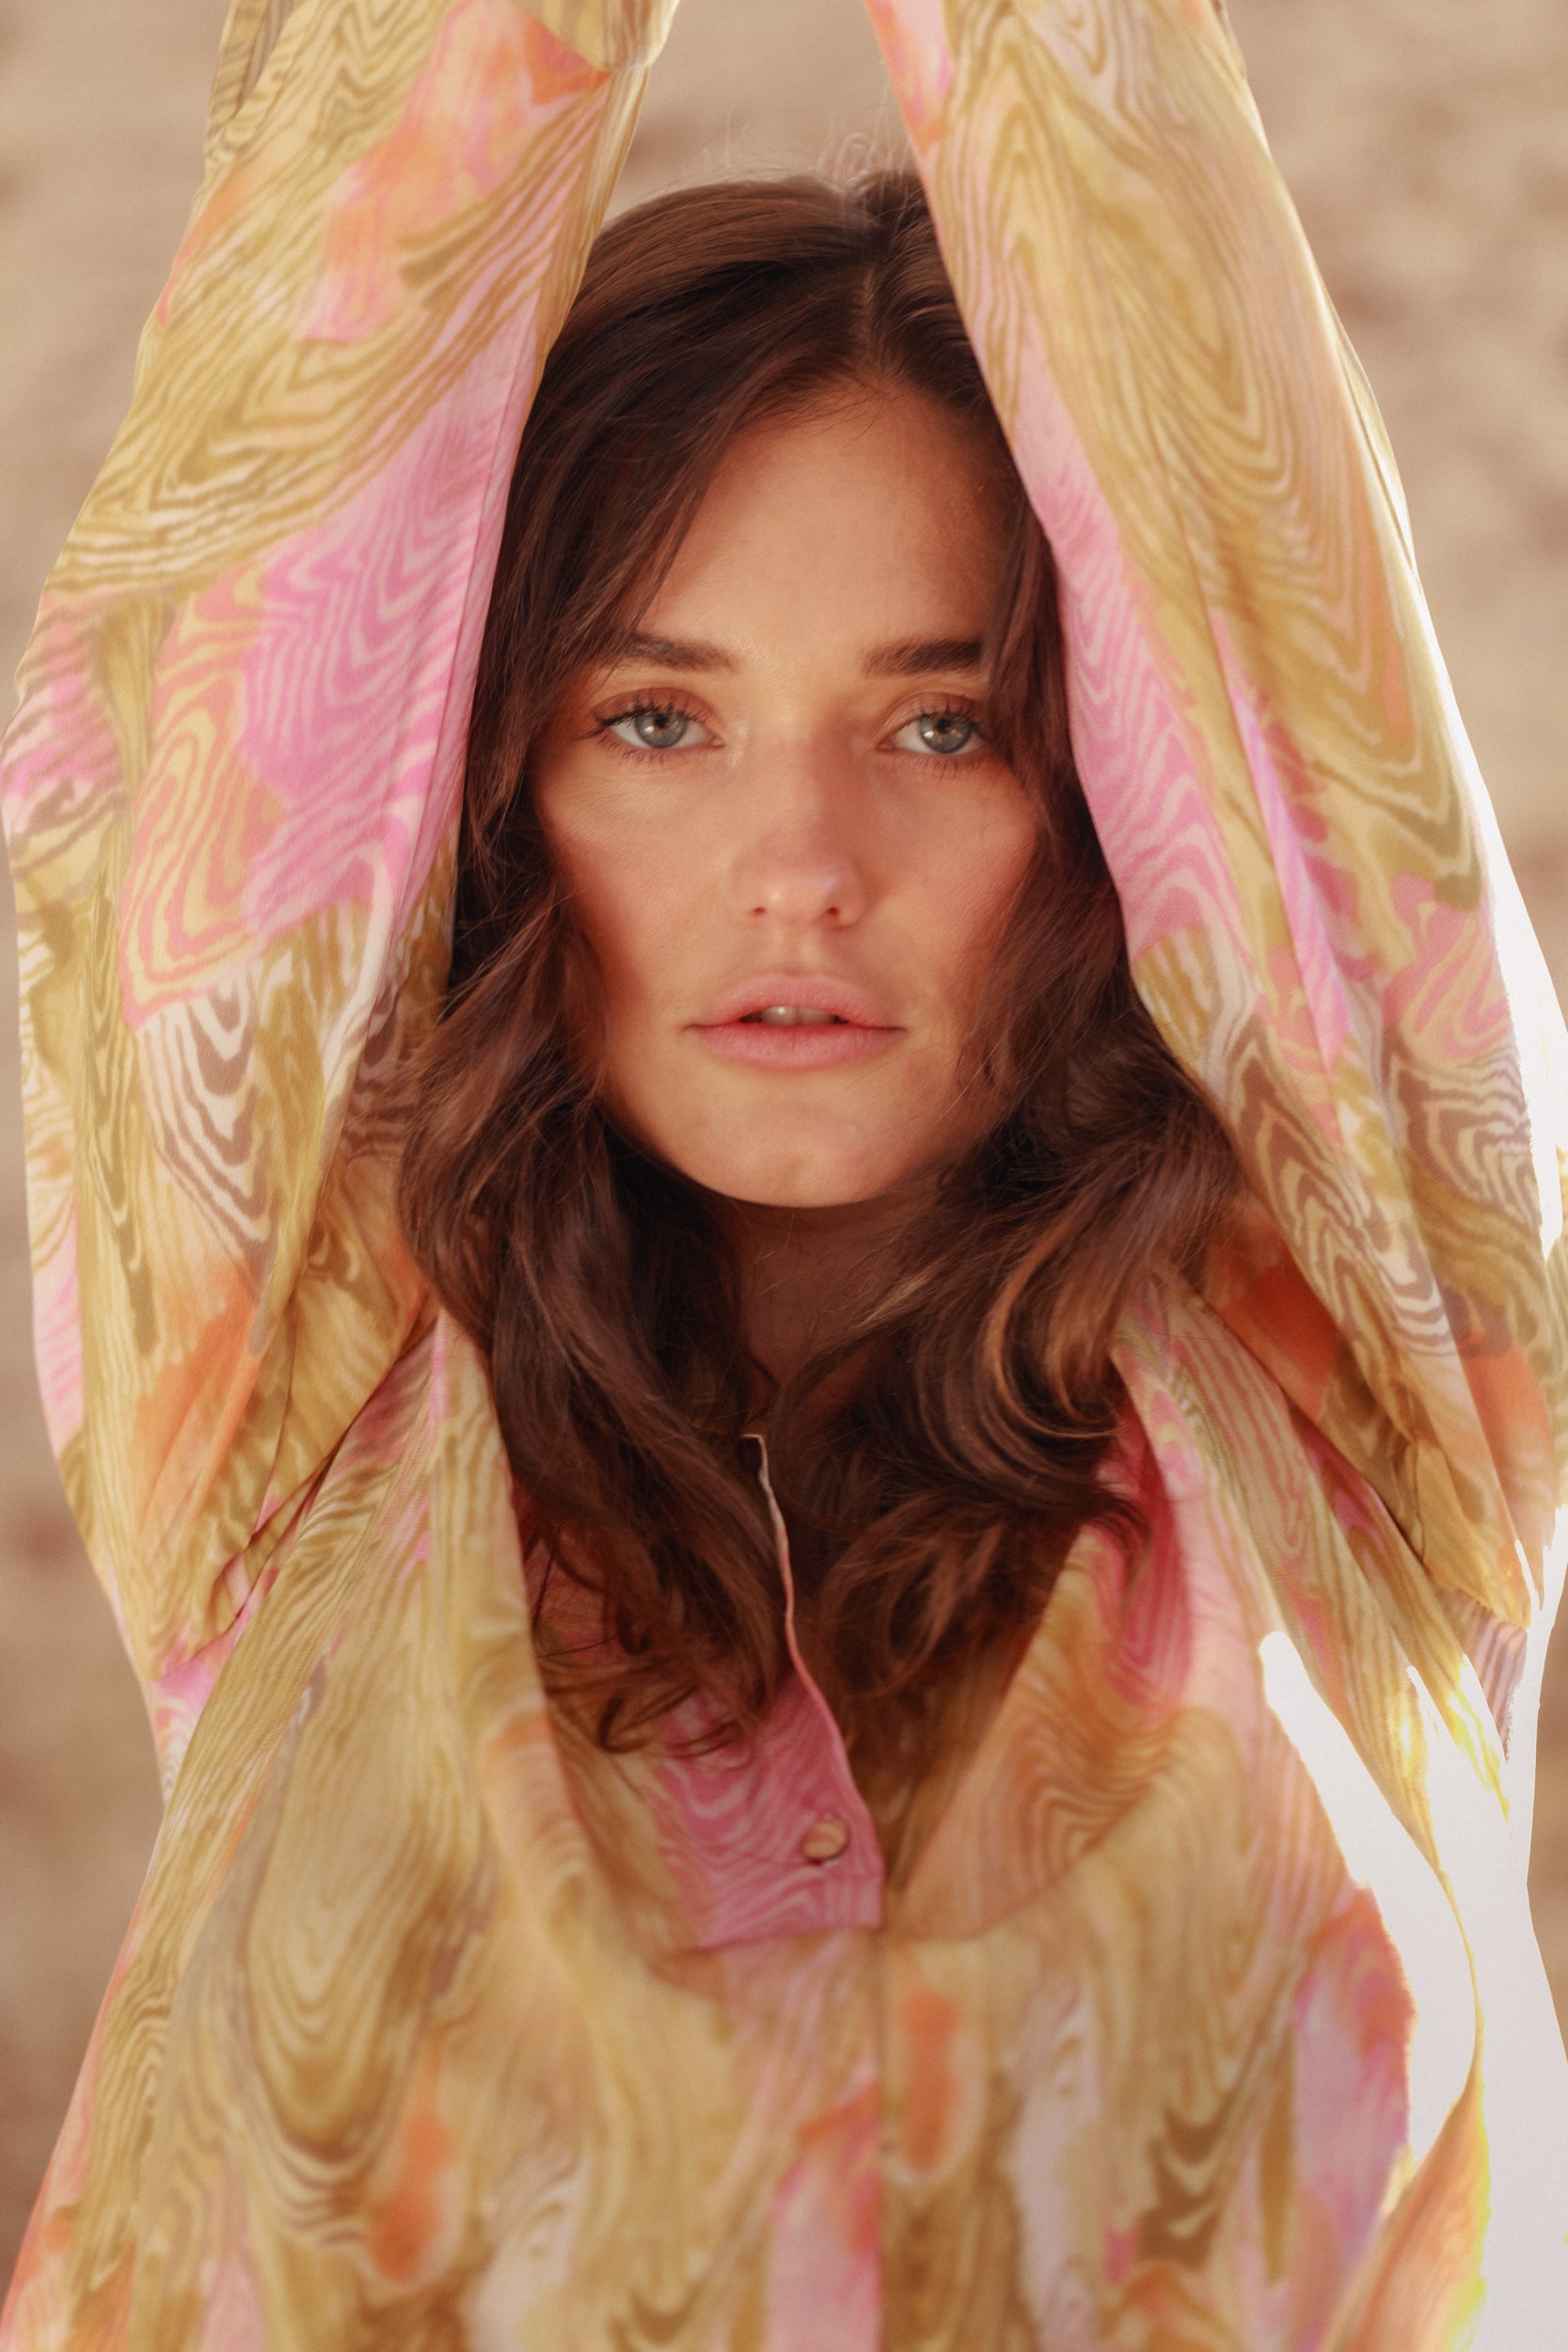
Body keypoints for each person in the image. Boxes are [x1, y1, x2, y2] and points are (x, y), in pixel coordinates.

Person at [2, 3, 1564, 2347]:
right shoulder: (295, 1404)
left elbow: (1234, 502)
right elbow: (303, 408)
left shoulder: (1366, 1368)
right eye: (657, 719)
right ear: (497, 794)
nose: (801, 867)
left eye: (946, 723)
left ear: (1115, 787)